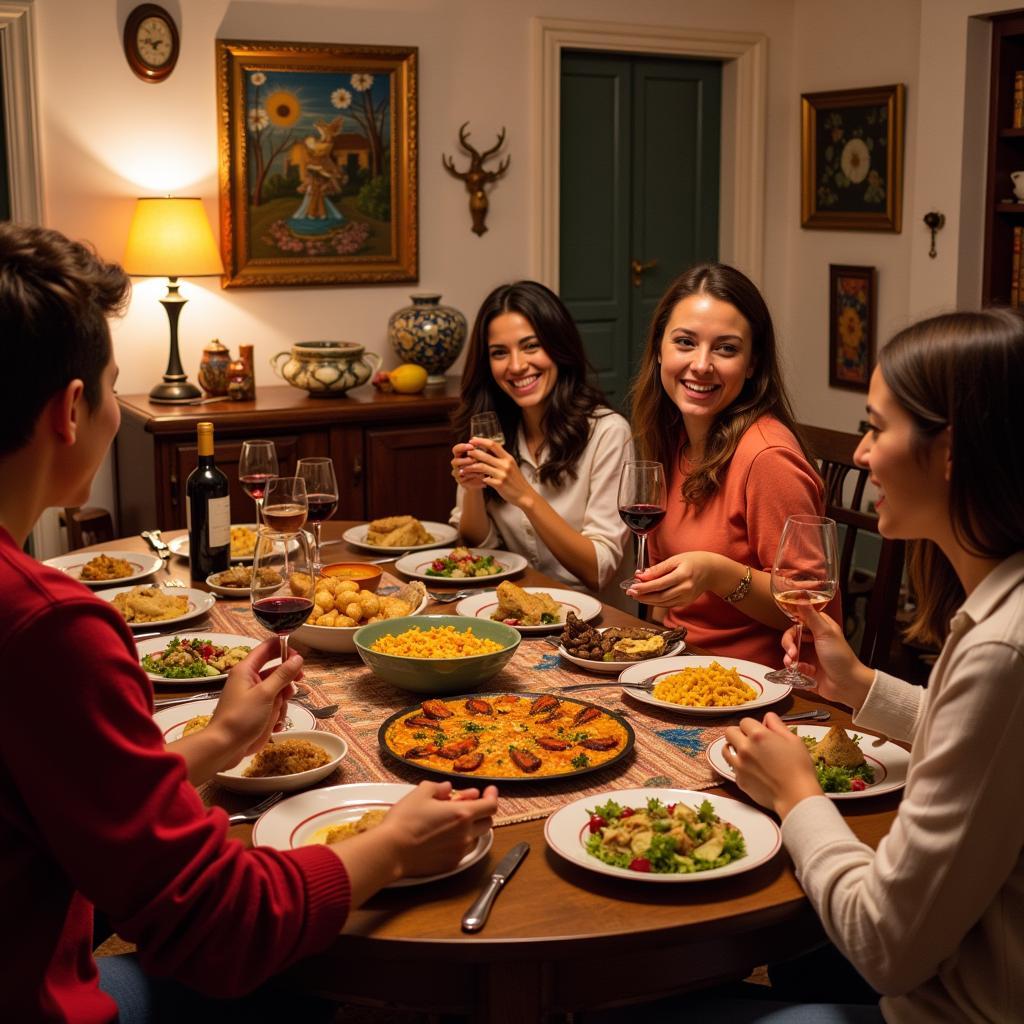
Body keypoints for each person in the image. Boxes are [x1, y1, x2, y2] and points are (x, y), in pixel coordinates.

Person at [0, 222, 498, 1022]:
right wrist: (395, 844)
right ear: (70, 409)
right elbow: (221, 925)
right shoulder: (50, 629)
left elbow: (85, 822)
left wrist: (218, 741)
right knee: (314, 988)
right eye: (112, 385)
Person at [721, 309, 1024, 1022]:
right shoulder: (1002, 602)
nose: (859, 454)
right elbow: (986, 747)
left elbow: (886, 945)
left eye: (876, 428)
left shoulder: (1003, 648)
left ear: (949, 451)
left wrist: (798, 794)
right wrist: (857, 685)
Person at [627, 263, 828, 665]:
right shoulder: (672, 435)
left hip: (756, 689)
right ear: (658, 348)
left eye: (726, 348)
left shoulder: (767, 457)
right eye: (685, 342)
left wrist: (718, 573)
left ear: (752, 364)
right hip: (676, 665)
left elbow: (813, 613)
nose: (701, 365)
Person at [449, 280, 631, 594]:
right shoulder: (492, 431)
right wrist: (472, 492)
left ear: (559, 346)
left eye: (531, 346)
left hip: (596, 625)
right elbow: (478, 548)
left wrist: (525, 497)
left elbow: (599, 570)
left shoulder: (608, 432)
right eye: (499, 353)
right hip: (512, 614)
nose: (517, 366)